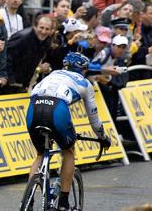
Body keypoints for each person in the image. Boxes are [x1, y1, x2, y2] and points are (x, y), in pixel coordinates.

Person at [27, 52, 111, 211]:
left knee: (40, 154)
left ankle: (28, 200)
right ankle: (64, 202)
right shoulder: (85, 83)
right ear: (83, 70)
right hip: (57, 109)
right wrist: (103, 137)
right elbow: (94, 120)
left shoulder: (53, 74)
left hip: (34, 107)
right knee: (69, 151)